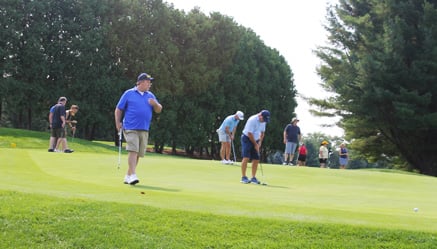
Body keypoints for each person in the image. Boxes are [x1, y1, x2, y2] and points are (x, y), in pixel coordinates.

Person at [114, 72, 162, 185]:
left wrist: (155, 104)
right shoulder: (129, 93)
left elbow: (159, 109)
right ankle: (133, 175)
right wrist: (117, 123)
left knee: (138, 153)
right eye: (148, 82)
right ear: (140, 82)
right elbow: (118, 109)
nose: (150, 84)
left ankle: (128, 175)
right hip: (130, 127)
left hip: (144, 128)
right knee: (133, 150)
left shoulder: (150, 95)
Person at [240, 110, 270, 184]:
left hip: (256, 139)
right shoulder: (252, 120)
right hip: (246, 138)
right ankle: (243, 177)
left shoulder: (264, 121)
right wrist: (255, 144)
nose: (264, 121)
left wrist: (259, 142)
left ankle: (253, 177)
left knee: (256, 159)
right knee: (246, 157)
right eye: (264, 119)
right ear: (260, 115)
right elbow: (250, 134)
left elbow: (262, 133)